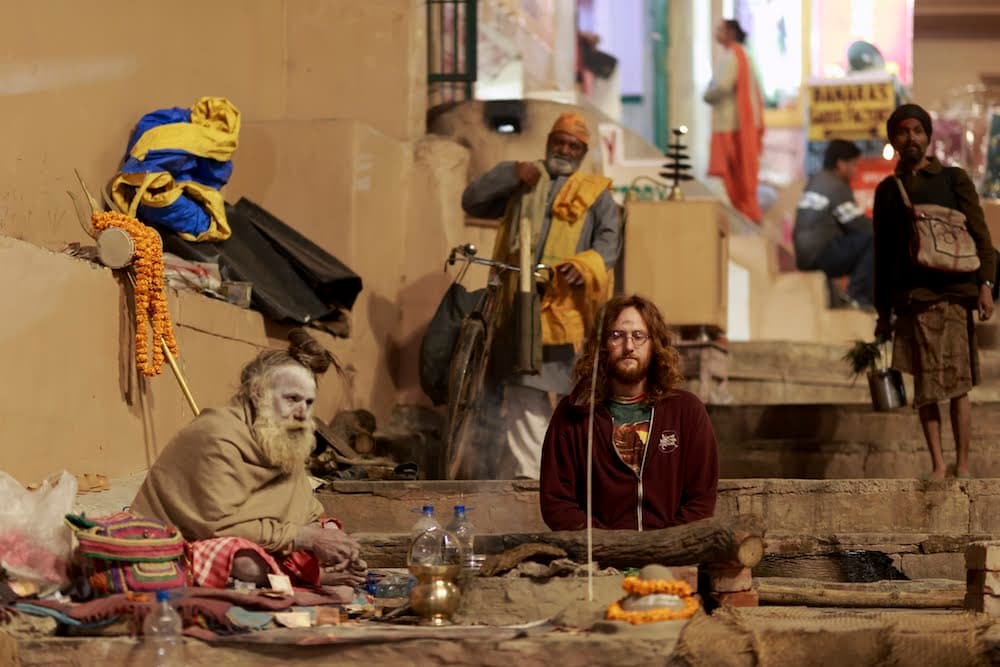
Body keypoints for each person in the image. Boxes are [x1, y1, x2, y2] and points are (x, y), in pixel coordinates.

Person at [132, 329, 366, 588]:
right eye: (291, 398)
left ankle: (304, 574)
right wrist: (304, 538)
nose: (301, 412)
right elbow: (218, 526)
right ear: (258, 393)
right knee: (246, 562)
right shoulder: (217, 435)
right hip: (179, 542)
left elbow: (306, 511)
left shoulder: (285, 436)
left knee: (330, 536)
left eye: (308, 402)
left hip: (265, 538)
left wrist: (333, 538)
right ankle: (306, 578)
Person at [461, 112, 622, 480]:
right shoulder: (524, 178)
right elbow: (472, 200)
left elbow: (609, 247)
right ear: (549, 142)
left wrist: (582, 267)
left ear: (582, 153)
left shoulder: (596, 196)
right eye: (559, 142)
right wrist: (509, 175)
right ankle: (529, 476)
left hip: (563, 311)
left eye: (573, 146)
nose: (563, 150)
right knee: (524, 386)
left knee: (561, 394)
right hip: (516, 304)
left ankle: (546, 474)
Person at [873, 103, 996, 480]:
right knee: (926, 388)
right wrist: (883, 314)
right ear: (893, 139)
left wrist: (986, 285)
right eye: (903, 132)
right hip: (913, 300)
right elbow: (883, 256)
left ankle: (962, 463)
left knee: (958, 385)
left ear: (928, 137)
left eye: (918, 131)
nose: (911, 138)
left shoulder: (953, 180)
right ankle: (938, 465)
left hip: (955, 297)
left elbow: (981, 234)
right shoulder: (888, 192)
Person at [539, 295, 719, 530]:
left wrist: (665, 548)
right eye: (617, 336)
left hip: (672, 557)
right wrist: (611, 547)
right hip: (599, 558)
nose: (629, 347)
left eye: (638, 336)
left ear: (655, 344)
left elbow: (701, 500)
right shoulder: (574, 413)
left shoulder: (686, 412)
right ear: (602, 346)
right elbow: (557, 503)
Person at [794, 139, 874, 307]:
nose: (856, 171)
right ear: (841, 164)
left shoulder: (817, 180)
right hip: (820, 253)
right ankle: (857, 297)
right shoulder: (835, 186)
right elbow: (860, 225)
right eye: (854, 165)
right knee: (875, 240)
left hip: (805, 255)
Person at [703, 18, 765, 222]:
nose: (715, 33)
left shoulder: (733, 55)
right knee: (739, 176)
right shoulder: (746, 54)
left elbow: (721, 87)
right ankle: (745, 216)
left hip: (732, 126)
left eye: (719, 29)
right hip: (742, 124)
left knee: (735, 177)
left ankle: (744, 217)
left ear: (730, 33)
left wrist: (706, 95)